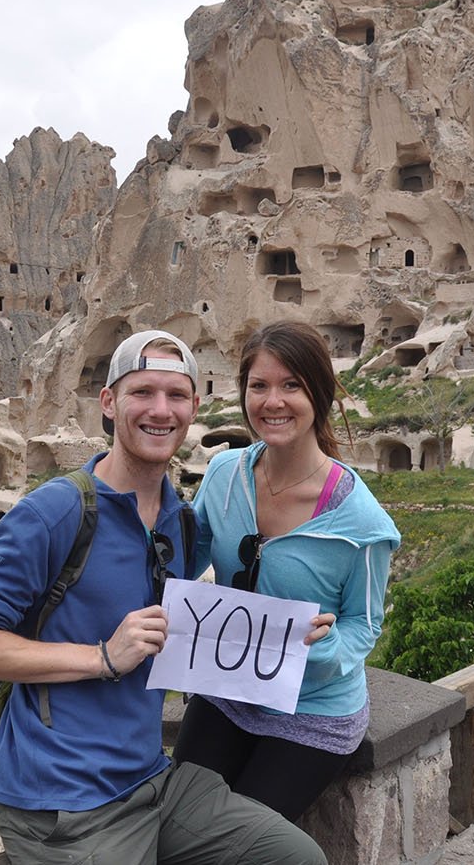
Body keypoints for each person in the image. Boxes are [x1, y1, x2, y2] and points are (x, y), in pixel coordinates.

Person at [0, 329, 327, 865]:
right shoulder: (55, 513)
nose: (160, 410)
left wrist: (278, 638)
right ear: (109, 402)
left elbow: (182, 630)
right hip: (62, 803)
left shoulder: (182, 524)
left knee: (292, 857)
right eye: (142, 392)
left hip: (150, 782)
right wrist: (101, 657)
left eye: (175, 395)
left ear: (194, 407)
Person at [173, 322, 401, 822]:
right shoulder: (223, 474)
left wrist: (328, 649)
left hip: (312, 710)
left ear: (318, 393)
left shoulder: (360, 523)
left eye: (291, 385)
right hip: (228, 688)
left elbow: (365, 624)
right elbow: (189, 559)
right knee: (178, 820)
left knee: (239, 842)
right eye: (259, 386)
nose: (273, 401)